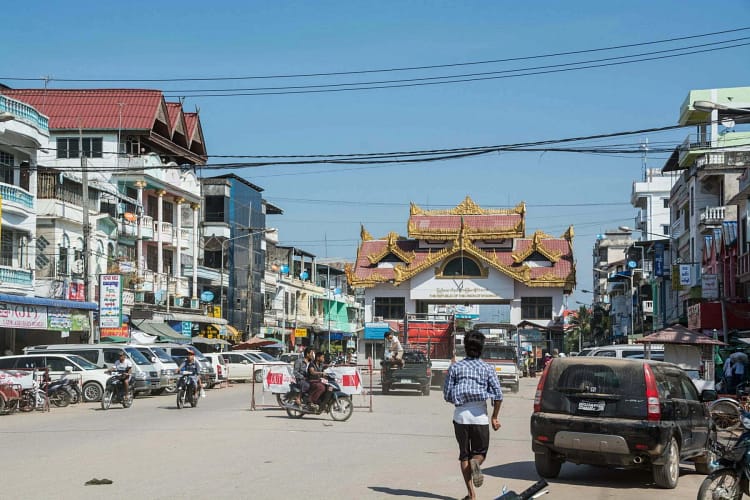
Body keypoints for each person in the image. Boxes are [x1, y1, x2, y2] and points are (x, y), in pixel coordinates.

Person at [443, 331, 503, 500]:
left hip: (460, 417)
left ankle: (471, 494)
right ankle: (476, 463)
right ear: (482, 349)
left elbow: (447, 394)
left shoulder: (455, 367)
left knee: (464, 456)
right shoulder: (487, 368)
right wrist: (494, 417)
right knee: (479, 454)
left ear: (465, 348)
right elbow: (498, 395)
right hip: (480, 418)